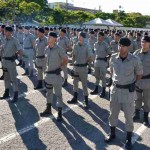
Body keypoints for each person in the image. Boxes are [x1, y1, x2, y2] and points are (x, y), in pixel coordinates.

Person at [105, 37, 143, 150]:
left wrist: (131, 83)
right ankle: (112, 133)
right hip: (115, 90)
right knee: (113, 113)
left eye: (123, 46)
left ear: (128, 47)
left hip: (128, 92)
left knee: (128, 116)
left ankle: (128, 138)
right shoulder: (113, 58)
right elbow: (111, 72)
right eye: (120, 46)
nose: (121, 48)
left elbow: (139, 74)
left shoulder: (134, 60)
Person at [40, 32, 68, 121]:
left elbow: (66, 59)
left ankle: (60, 113)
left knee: (58, 94)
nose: (48, 38)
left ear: (55, 39)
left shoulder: (59, 49)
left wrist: (60, 68)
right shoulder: (46, 49)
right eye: (48, 36)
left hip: (56, 75)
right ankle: (48, 109)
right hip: (48, 75)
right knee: (49, 93)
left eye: (50, 37)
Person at [67, 32, 93, 108]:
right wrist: (73, 66)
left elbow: (91, 57)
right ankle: (75, 98)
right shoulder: (76, 45)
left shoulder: (87, 46)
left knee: (84, 85)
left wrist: (87, 63)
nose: (78, 37)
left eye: (79, 36)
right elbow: (73, 56)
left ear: (82, 37)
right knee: (75, 83)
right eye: (78, 36)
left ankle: (86, 101)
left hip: (83, 67)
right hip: (76, 67)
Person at [0, 26, 22, 103]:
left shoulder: (15, 40)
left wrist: (16, 55)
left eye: (5, 31)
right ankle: (6, 93)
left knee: (13, 79)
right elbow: (2, 49)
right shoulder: (3, 39)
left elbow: (20, 50)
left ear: (10, 32)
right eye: (4, 31)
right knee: (6, 78)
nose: (4, 32)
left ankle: (16, 95)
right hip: (4, 62)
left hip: (11, 62)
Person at [133, 35, 150, 126]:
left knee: (147, 100)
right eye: (142, 41)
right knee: (137, 98)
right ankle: (137, 114)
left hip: (148, 81)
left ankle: (145, 117)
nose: (143, 43)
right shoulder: (136, 53)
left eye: (145, 42)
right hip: (137, 81)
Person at [90, 31, 112, 98]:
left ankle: (103, 91)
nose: (98, 37)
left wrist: (107, 58)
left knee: (103, 78)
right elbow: (95, 53)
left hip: (103, 62)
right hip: (96, 62)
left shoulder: (105, 45)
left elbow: (110, 54)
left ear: (102, 37)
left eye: (99, 36)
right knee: (97, 77)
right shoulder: (95, 44)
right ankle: (96, 89)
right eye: (97, 36)